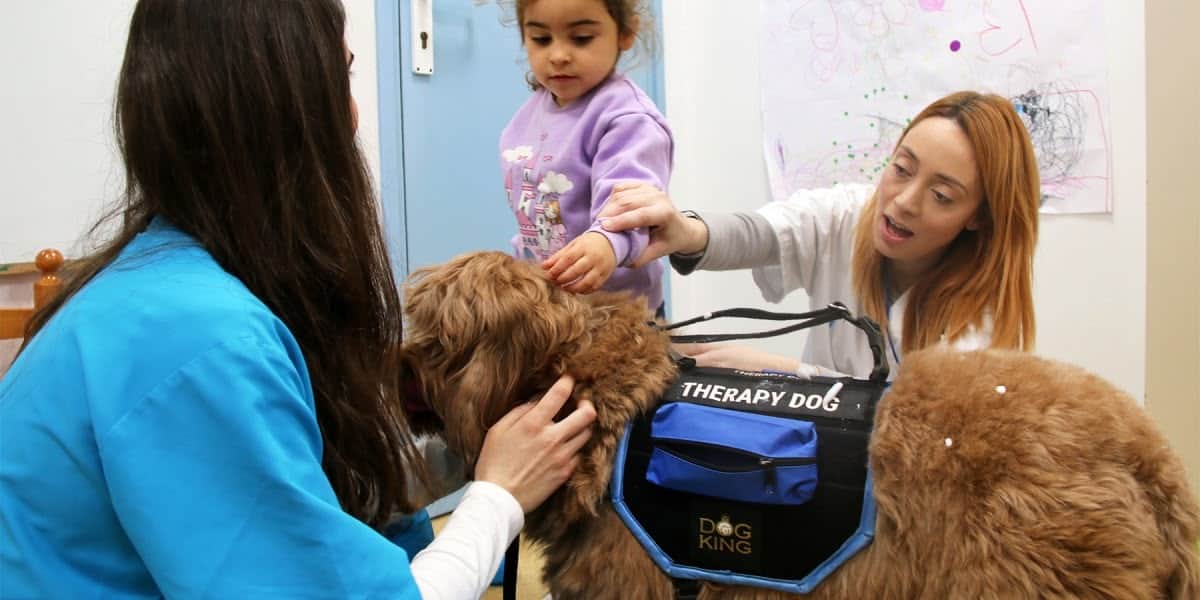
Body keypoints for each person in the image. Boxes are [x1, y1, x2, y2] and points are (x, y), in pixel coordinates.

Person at [0, 1, 595, 598]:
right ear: (288, 110)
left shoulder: (170, 284)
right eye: (342, 77)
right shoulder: (202, 340)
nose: (354, 116)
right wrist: (498, 496)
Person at [597, 91, 1040, 379]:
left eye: (942, 195)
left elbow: (924, 426)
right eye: (901, 169)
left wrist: (787, 372)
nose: (904, 201)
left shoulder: (982, 326)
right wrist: (687, 232)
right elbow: (765, 234)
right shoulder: (850, 214)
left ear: (978, 217)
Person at [500, 0, 672, 313]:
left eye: (581, 39)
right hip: (549, 306)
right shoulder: (533, 110)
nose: (558, 56)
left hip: (615, 313)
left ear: (626, 33)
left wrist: (606, 241)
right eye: (541, 39)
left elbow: (632, 206)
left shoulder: (627, 118)